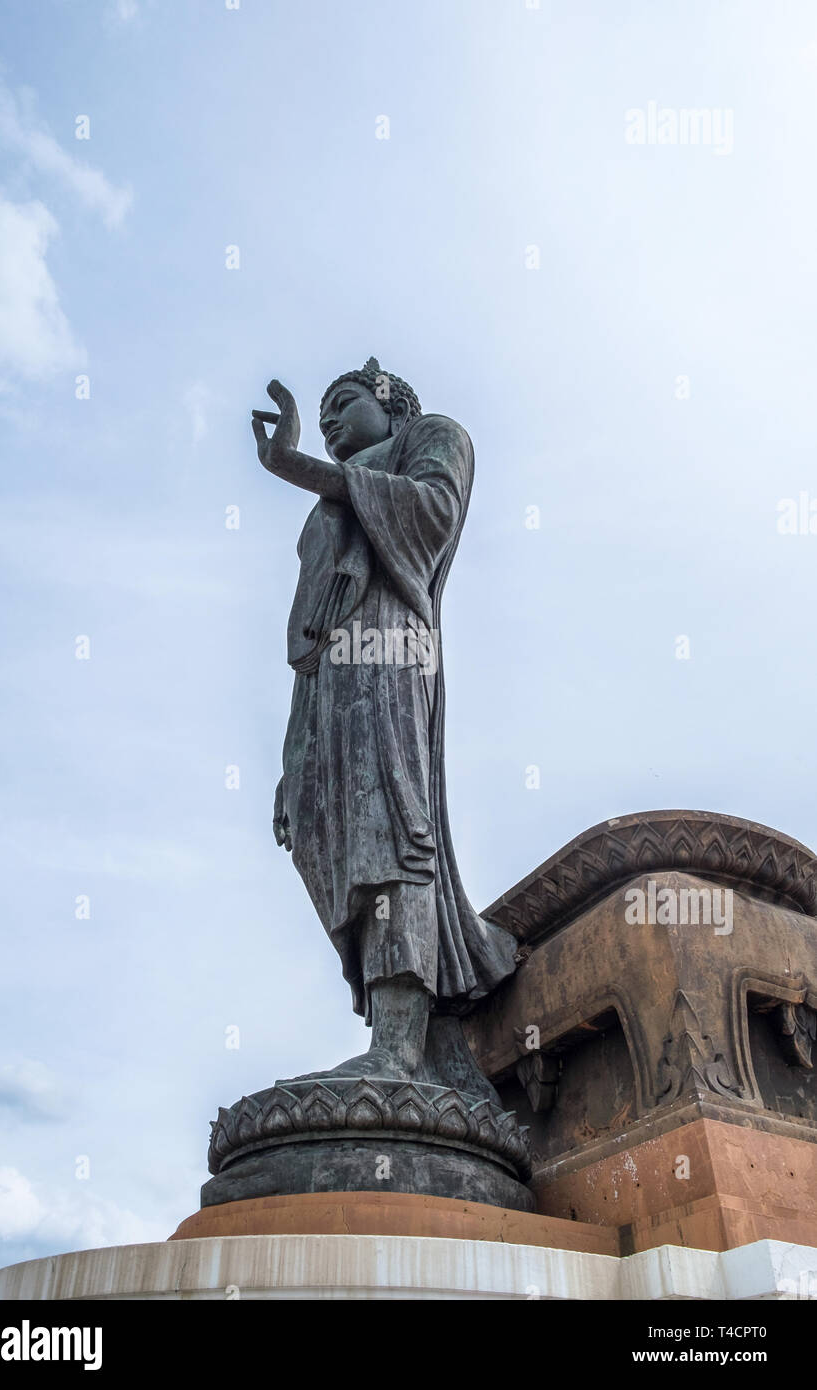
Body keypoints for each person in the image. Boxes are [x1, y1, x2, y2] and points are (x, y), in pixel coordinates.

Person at [252, 358, 517, 1089]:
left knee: (390, 824)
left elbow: (431, 514)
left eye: (344, 402)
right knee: (324, 824)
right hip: (330, 676)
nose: (332, 418)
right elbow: (306, 649)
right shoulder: (331, 501)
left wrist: (300, 465)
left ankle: (400, 1040)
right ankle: (393, 1028)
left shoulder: (431, 438)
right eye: (325, 411)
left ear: (389, 398)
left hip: (390, 647)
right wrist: (290, 756)